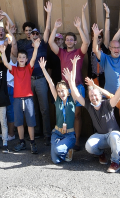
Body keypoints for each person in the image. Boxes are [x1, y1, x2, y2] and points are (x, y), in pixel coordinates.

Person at [48, 8, 90, 151]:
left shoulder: (79, 52)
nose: (69, 41)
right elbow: (50, 42)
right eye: (67, 39)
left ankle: (76, 141)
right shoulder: (61, 53)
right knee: (66, 116)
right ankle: (66, 139)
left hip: (77, 87)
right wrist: (55, 28)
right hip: (64, 90)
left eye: (72, 39)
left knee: (77, 115)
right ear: (65, 41)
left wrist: (79, 27)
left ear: (75, 41)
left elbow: (86, 43)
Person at [18, 2, 52, 146]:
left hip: (41, 80)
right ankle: (37, 131)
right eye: (32, 34)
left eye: (37, 33)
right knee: (34, 108)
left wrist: (49, 14)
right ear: (29, 36)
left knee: (44, 108)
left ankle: (47, 134)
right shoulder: (26, 47)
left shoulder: (43, 44)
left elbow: (48, 29)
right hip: (29, 80)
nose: (35, 35)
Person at [76, 76, 120, 173]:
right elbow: (77, 95)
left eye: (95, 95)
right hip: (101, 136)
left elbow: (117, 97)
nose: (93, 98)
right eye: (91, 96)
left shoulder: (107, 104)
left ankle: (115, 163)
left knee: (114, 136)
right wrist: (70, 81)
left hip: (114, 136)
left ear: (100, 95)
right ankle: (101, 154)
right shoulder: (89, 106)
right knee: (89, 146)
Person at [1, 37, 40, 153]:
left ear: (26, 59)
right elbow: (5, 63)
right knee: (18, 122)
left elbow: (33, 59)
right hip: (17, 98)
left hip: (28, 98)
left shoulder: (29, 68)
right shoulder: (14, 69)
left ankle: (32, 142)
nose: (22, 59)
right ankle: (22, 141)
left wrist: (36, 48)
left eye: (24, 57)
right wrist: (3, 52)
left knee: (30, 121)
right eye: (20, 57)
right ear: (17, 59)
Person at [39, 57, 76, 164]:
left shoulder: (72, 99)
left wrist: (73, 67)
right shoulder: (57, 100)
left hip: (69, 134)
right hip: (57, 133)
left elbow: (72, 84)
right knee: (56, 161)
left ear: (67, 91)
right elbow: (50, 83)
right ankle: (62, 149)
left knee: (58, 150)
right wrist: (43, 69)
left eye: (63, 91)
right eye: (59, 91)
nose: (61, 93)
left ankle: (68, 147)